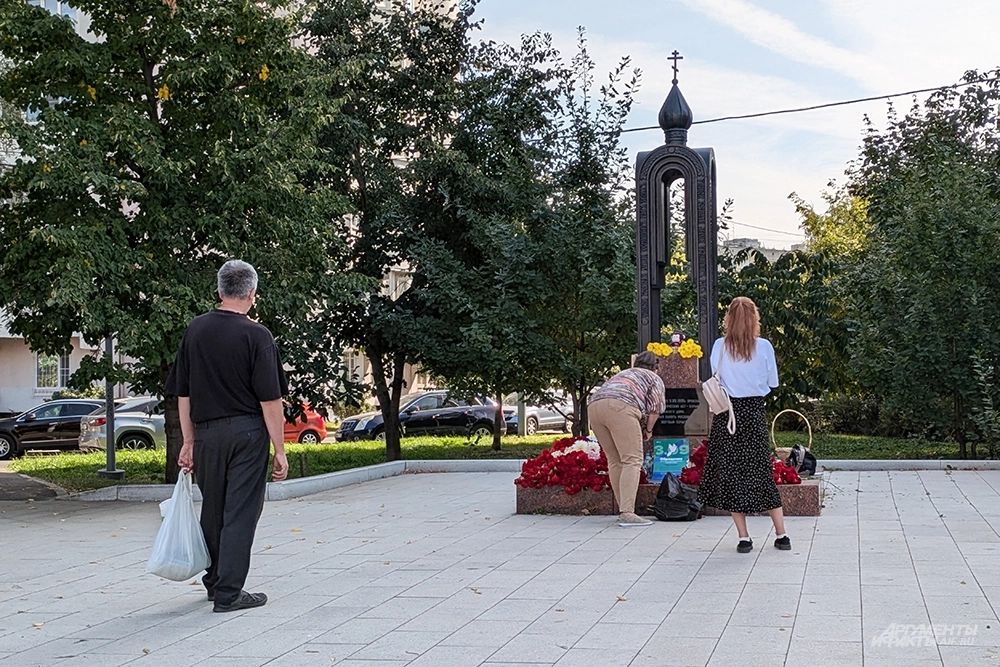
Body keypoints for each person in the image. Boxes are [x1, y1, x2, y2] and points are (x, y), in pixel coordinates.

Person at [165, 259, 290, 612]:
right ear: (252, 293)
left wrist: (187, 442)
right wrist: (279, 450)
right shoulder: (257, 335)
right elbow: (270, 399)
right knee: (241, 512)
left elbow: (183, 393)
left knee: (214, 510)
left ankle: (214, 582)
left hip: (206, 436)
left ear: (219, 291)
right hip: (248, 434)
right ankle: (229, 593)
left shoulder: (196, 330)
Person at [697, 296, 789, 553]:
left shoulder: (719, 346)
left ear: (729, 319)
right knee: (762, 472)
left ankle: (744, 537)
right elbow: (772, 383)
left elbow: (716, 374)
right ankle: (782, 534)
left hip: (727, 415)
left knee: (731, 475)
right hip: (753, 413)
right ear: (754, 319)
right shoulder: (765, 347)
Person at [588, 351, 666, 527]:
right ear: (656, 368)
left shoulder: (624, 373)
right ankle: (628, 513)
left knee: (615, 460)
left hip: (594, 407)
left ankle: (623, 508)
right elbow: (654, 409)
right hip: (621, 406)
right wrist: (648, 430)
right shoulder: (653, 377)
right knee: (632, 459)